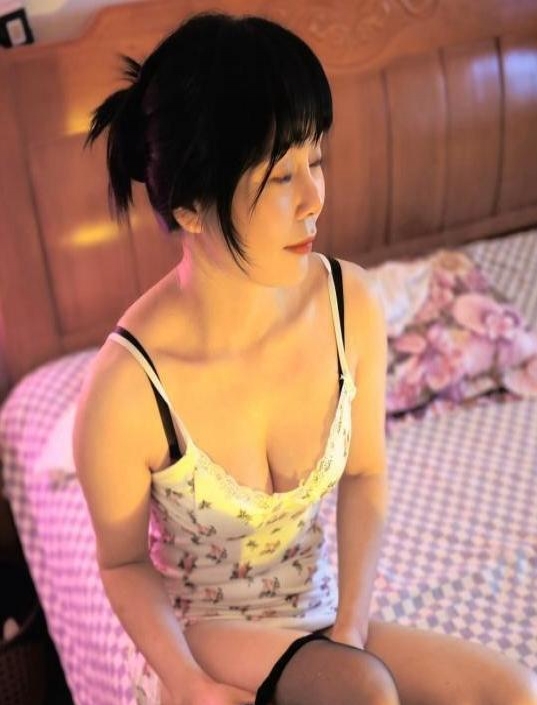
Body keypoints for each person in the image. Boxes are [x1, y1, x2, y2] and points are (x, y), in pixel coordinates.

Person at [74, 11, 537, 705]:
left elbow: (367, 472)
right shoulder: (127, 388)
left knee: (511, 689)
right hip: (203, 635)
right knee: (363, 692)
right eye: (280, 175)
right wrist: (190, 684)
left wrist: (350, 624)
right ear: (192, 207)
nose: (315, 199)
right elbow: (121, 564)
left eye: (314, 159)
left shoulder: (351, 305)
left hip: (317, 617)